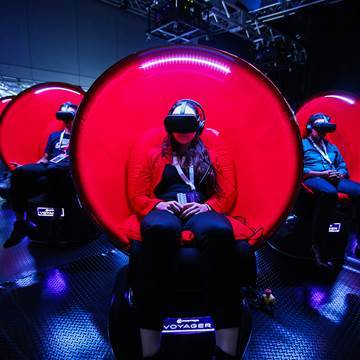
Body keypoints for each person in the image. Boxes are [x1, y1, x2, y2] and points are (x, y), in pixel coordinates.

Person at [127, 99, 245, 359]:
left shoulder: (214, 153)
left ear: (199, 126)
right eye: (176, 125)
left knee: (218, 232)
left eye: (188, 125)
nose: (182, 131)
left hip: (200, 209)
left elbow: (227, 193)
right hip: (163, 209)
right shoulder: (152, 153)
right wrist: (158, 204)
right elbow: (136, 195)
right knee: (158, 231)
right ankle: (151, 351)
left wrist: (209, 207)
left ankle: (226, 351)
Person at [3, 101, 78, 248]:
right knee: (20, 173)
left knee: (53, 172)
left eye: (69, 116)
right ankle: (20, 225)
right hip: (50, 165)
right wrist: (27, 167)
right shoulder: (55, 136)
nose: (66, 121)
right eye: (63, 116)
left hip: (67, 168)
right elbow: (45, 158)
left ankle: (56, 223)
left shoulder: (81, 136)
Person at [302, 113, 360, 268]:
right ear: (310, 128)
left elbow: (342, 165)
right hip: (313, 177)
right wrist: (321, 173)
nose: (322, 132)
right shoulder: (302, 144)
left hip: (333, 177)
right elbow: (299, 168)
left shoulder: (331, 147)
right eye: (319, 128)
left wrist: (340, 173)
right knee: (329, 194)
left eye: (325, 129)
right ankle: (317, 246)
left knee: (359, 191)